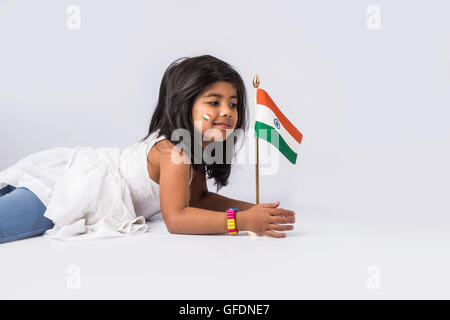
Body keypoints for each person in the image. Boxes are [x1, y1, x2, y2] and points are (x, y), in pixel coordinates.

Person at [0, 55, 295, 244]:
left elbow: (199, 198)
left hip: (85, 180)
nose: (228, 111)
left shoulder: (195, 150)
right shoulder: (175, 152)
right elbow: (177, 219)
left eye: (233, 104)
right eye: (214, 102)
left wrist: (254, 210)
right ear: (185, 105)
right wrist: (241, 221)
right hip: (71, 187)